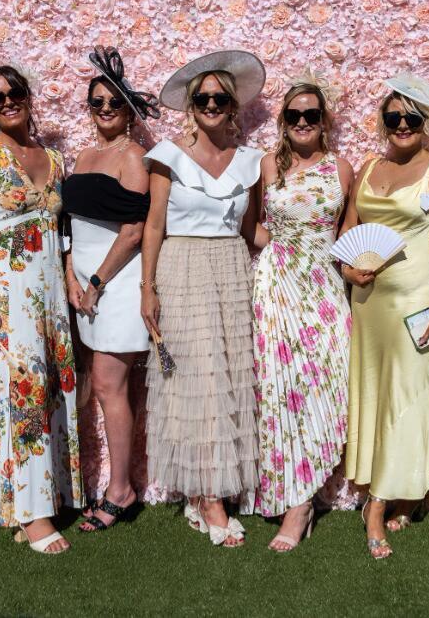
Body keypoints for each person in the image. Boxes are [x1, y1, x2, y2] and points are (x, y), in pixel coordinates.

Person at [0, 65, 83, 554]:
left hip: (47, 292)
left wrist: (68, 277)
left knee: (48, 389)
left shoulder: (52, 157)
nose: (7, 101)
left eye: (15, 92)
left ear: (29, 96)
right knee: (19, 395)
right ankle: (30, 513)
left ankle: (49, 493)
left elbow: (61, 230)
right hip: (4, 294)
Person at [140, 50, 265, 547]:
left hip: (232, 269)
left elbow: (254, 230)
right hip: (182, 269)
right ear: (190, 107)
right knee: (196, 378)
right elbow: (153, 225)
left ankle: (205, 491)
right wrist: (147, 289)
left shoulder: (253, 163)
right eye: (202, 98)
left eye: (220, 97)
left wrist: (303, 259)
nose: (211, 104)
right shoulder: (167, 158)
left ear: (233, 107)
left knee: (230, 376)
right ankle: (210, 499)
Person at [341, 74, 429, 559]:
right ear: (383, 123)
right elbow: (350, 226)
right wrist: (349, 266)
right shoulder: (370, 166)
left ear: (425, 123)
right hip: (369, 306)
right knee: (377, 395)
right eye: (393, 118)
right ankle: (405, 491)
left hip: (416, 303)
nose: (402, 125)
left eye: (411, 118)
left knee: (408, 399)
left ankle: (377, 505)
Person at [248, 70, 353, 551]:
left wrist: (355, 269)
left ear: (324, 119)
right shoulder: (269, 164)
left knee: (322, 383)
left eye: (312, 114)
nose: (304, 121)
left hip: (325, 287)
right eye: (295, 114)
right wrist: (282, 254)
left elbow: (348, 234)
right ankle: (296, 501)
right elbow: (253, 227)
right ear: (283, 120)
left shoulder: (342, 167)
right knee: (280, 387)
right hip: (277, 284)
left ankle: (307, 493)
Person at [63, 47, 158, 532]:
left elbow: (134, 231)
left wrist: (97, 282)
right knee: (101, 385)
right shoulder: (83, 155)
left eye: (114, 103)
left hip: (114, 285)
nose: (104, 110)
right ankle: (116, 483)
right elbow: (71, 222)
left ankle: (121, 489)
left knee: (108, 384)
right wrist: (71, 276)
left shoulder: (134, 155)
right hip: (85, 286)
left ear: (129, 110)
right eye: (96, 102)